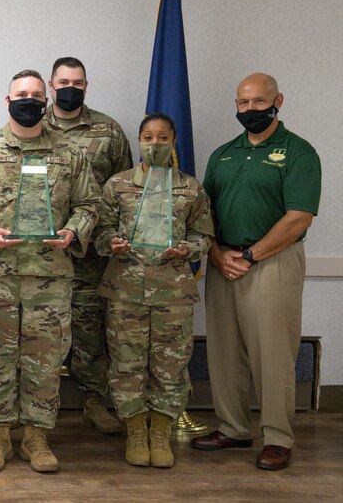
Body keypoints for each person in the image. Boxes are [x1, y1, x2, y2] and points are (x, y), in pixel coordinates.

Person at [0, 70, 100, 472]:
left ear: (45, 99)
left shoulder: (70, 154)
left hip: (49, 277)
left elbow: (90, 204)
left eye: (35, 94)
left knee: (45, 359)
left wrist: (72, 231)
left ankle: (36, 438)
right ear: (7, 100)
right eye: (21, 94)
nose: (28, 100)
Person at [191, 73, 321, 471]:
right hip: (223, 261)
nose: (250, 110)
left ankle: (278, 437)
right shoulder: (224, 153)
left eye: (259, 102)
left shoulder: (299, 152)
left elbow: (298, 218)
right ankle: (233, 427)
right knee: (224, 350)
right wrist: (216, 252)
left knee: (273, 353)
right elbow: (204, 211)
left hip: (271, 262)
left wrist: (250, 255)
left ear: (278, 100)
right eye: (243, 103)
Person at [94, 113, 213, 468]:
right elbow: (98, 233)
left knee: (171, 366)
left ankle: (160, 431)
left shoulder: (191, 188)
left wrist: (187, 251)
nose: (155, 144)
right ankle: (135, 430)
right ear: (139, 142)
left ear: (174, 142)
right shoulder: (118, 185)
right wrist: (111, 243)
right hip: (125, 290)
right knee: (126, 363)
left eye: (163, 138)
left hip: (173, 293)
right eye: (148, 137)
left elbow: (204, 236)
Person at [44, 57, 132, 434]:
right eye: (63, 81)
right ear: (51, 84)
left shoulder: (108, 130)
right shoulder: (32, 125)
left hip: (90, 253)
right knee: (38, 329)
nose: (70, 88)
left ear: (86, 86)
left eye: (77, 83)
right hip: (41, 251)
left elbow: (123, 190)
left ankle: (94, 400)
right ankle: (32, 408)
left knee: (90, 328)